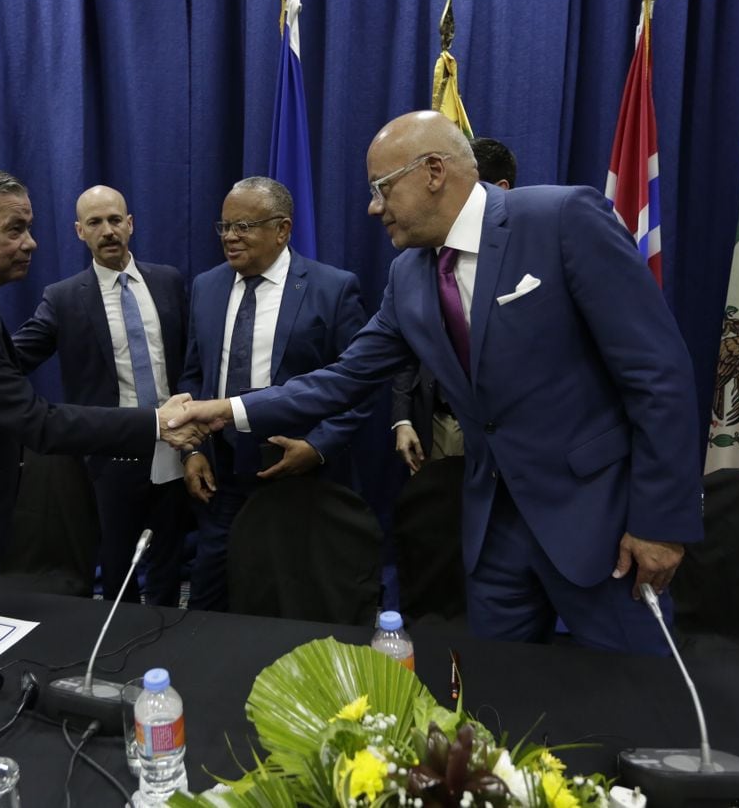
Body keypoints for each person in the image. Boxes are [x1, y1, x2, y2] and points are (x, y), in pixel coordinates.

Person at [172, 113, 703, 654]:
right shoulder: (408, 276)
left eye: (381, 188)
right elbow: (344, 377)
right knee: (500, 704)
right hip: (493, 535)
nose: (373, 207)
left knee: (639, 701)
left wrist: (661, 521)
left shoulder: (561, 218)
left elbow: (657, 374)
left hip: (603, 529)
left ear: (432, 171)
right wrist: (227, 411)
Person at [0, 166, 206, 585]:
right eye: (15, 230)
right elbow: (37, 421)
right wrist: (158, 422)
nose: (31, 243)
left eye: (28, 228)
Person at [177, 176, 373, 612]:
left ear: (282, 229)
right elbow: (193, 375)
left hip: (300, 478)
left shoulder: (333, 288)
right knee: (210, 601)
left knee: (293, 602)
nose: (230, 237)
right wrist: (191, 451)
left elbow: (358, 384)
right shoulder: (207, 287)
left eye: (244, 226)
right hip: (223, 478)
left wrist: (317, 446)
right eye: (224, 227)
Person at [11, 185, 191, 605]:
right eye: (95, 223)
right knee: (117, 565)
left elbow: (190, 358)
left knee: (169, 554)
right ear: (79, 231)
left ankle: (168, 638)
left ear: (130, 224)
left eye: (114, 220)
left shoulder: (168, 282)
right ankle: (119, 642)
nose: (107, 230)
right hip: (111, 454)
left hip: (177, 444)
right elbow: (14, 359)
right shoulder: (63, 298)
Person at [392, 137, 517, 472]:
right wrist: (402, 419)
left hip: (527, 444)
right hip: (441, 423)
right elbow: (399, 350)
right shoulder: (414, 264)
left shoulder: (543, 234)